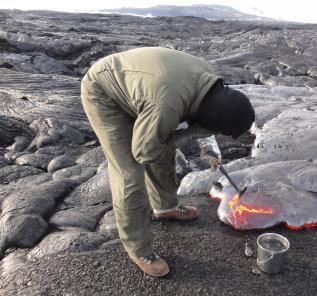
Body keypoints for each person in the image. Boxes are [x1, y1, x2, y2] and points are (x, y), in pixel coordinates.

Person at [80, 47, 255, 277]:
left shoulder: (211, 87)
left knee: (163, 147)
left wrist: (207, 147)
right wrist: (188, 135)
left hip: (145, 90)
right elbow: (144, 152)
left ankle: (165, 207)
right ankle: (138, 248)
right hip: (104, 92)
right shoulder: (168, 103)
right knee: (130, 173)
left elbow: (208, 120)